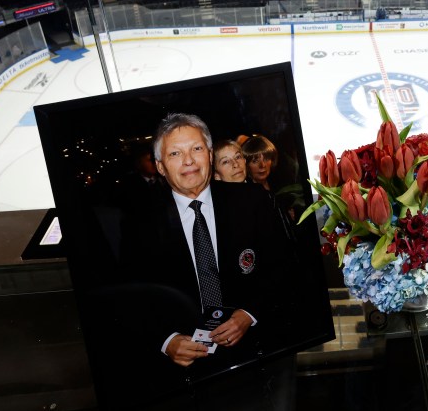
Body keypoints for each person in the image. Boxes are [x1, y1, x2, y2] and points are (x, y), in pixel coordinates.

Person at [111, 113, 293, 409]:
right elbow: (132, 297)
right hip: (184, 377)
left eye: (196, 149)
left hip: (254, 358)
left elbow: (284, 266)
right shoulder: (139, 223)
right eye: (175, 153)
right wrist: (167, 340)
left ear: (209, 154)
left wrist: (249, 313)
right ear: (160, 166)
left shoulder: (252, 201)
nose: (188, 161)